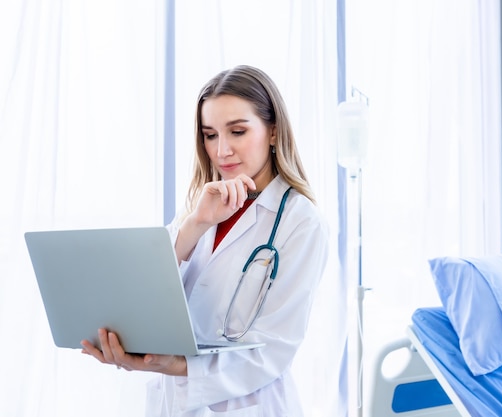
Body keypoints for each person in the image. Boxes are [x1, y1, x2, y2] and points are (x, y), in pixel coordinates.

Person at [81, 65, 329, 416]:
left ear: (273, 132)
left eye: (238, 131)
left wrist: (174, 366)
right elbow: (143, 293)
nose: (222, 150)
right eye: (210, 135)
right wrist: (196, 223)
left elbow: (272, 351)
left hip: (250, 406)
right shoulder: (200, 208)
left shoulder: (301, 223)